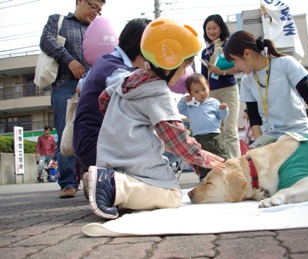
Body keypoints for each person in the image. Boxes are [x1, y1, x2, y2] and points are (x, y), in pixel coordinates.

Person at [85, 17, 226, 220]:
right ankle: (116, 187)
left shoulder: (127, 79)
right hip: (134, 160)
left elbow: (103, 99)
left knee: (145, 183)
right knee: (172, 195)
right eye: (185, 65)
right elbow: (174, 136)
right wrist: (201, 157)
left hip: (109, 158)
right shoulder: (158, 92)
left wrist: (120, 125)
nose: (186, 72)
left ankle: (103, 184)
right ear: (169, 61)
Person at [223, 31, 308, 142]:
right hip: (272, 141)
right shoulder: (246, 81)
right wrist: (260, 146)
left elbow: (307, 92)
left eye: (234, 61)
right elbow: (254, 117)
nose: (236, 68)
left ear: (247, 53)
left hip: (299, 135)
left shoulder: (285, 63)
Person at [38, 0, 106, 198]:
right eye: (93, 6)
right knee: (67, 132)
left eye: (100, 10)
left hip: (92, 86)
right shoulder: (58, 20)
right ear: (80, 1)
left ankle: (90, 180)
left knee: (92, 132)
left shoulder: (98, 29)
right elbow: (46, 40)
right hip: (65, 84)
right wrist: (69, 60)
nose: (96, 12)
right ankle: (67, 182)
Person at [73, 18, 151, 171]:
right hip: (98, 146)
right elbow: (141, 102)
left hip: (85, 141)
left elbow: (79, 86)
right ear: (142, 48)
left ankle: (101, 178)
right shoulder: (118, 73)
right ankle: (105, 181)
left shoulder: (104, 60)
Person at [201, 14, 240, 158]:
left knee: (230, 130)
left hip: (228, 90)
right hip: (212, 93)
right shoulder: (204, 52)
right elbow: (203, 77)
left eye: (214, 28)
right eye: (208, 28)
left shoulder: (228, 46)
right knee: (218, 131)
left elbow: (238, 67)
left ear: (221, 29)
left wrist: (221, 71)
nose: (211, 31)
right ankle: (225, 165)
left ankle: (237, 165)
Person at [177, 73, 229, 181]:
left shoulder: (214, 102)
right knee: (202, 158)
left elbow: (221, 116)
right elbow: (179, 109)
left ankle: (225, 174)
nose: (201, 93)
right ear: (190, 93)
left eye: (204, 89)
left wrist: (224, 110)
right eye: (196, 91)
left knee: (220, 154)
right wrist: (185, 99)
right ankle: (204, 177)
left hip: (214, 135)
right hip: (198, 137)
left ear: (208, 87)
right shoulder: (190, 106)